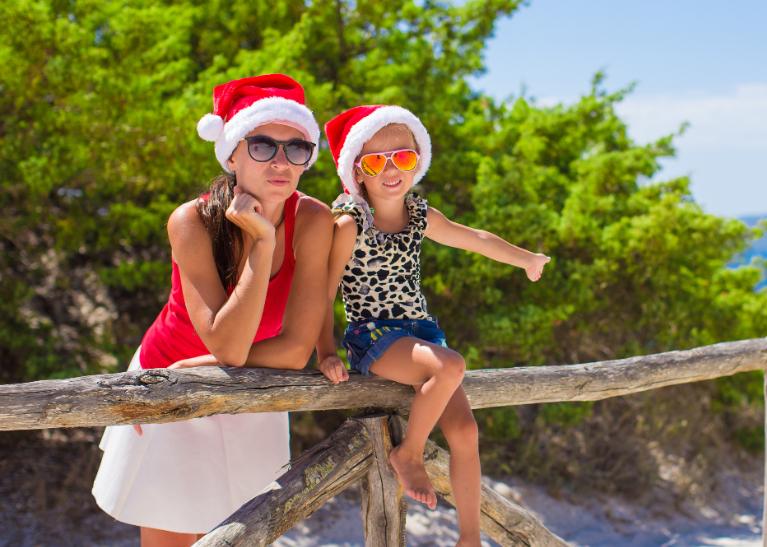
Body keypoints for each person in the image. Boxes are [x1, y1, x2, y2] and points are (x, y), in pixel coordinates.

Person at [91, 73, 333, 547]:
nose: (280, 162)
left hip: (250, 385)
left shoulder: (314, 219)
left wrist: (223, 360)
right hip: (173, 380)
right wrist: (262, 244)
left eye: (297, 149)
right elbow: (227, 342)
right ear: (232, 153)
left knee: (242, 534)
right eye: (262, 146)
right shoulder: (192, 220)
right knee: (173, 537)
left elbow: (297, 349)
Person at [316, 105, 550, 546]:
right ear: (358, 173)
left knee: (465, 430)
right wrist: (325, 352)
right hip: (374, 337)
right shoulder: (350, 223)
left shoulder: (420, 215)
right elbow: (322, 291)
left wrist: (525, 259)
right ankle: (408, 453)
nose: (391, 170)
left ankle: (469, 538)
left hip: (420, 333)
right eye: (375, 162)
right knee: (450, 366)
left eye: (402, 158)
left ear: (417, 162)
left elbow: (472, 237)